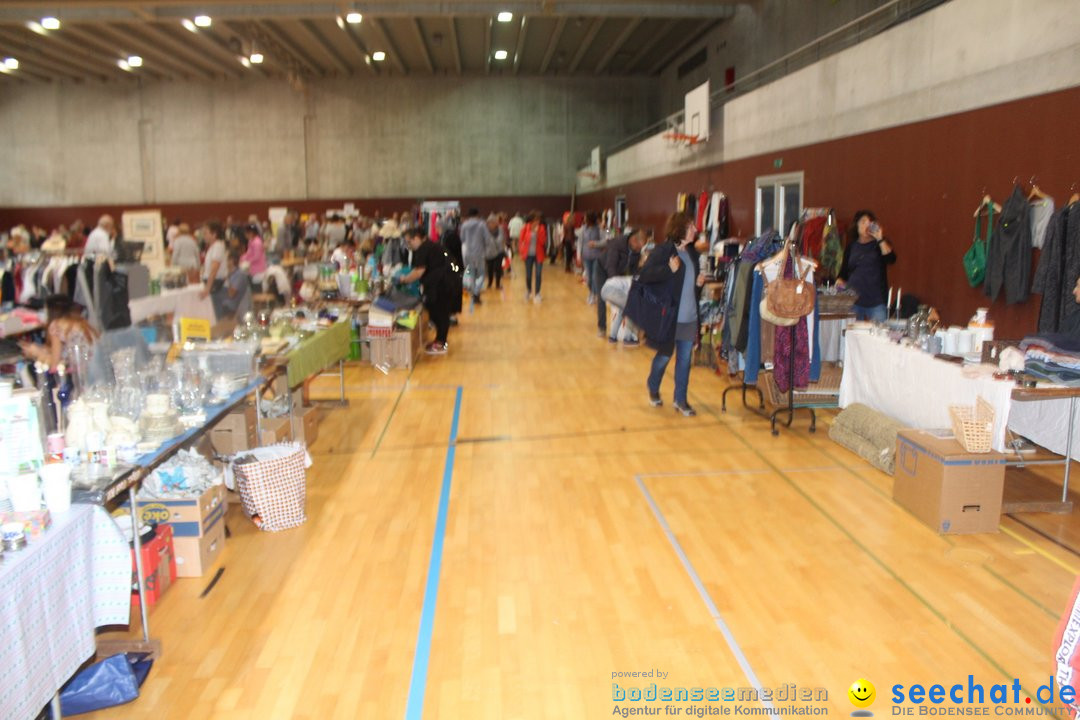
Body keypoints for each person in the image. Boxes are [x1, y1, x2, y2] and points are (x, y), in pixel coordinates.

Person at [636, 212, 703, 416]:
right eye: (691, 226)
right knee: (664, 357)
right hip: (669, 317)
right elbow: (645, 275)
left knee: (684, 360)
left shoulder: (692, 254)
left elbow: (690, 289)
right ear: (681, 228)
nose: (695, 229)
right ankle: (653, 385)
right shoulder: (664, 251)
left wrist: (698, 285)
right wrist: (667, 269)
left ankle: (680, 400)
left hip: (689, 317)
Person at [397, 227, 453, 355]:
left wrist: (404, 279)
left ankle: (441, 343)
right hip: (443, 283)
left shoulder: (424, 249)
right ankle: (440, 340)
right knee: (438, 312)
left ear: (416, 238)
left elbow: (419, 271)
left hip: (440, 285)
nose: (408, 245)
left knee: (438, 312)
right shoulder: (431, 246)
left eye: (409, 242)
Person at [837, 210, 896, 322]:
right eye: (863, 222)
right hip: (853, 300)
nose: (866, 225)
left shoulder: (879, 244)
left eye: (870, 223)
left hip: (876, 301)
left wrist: (880, 238)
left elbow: (891, 259)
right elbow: (844, 271)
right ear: (857, 225)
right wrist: (839, 282)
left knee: (878, 334)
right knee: (852, 334)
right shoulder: (851, 247)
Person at [19, 295, 97, 370]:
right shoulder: (80, 323)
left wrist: (38, 353)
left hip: (81, 373)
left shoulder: (56, 326)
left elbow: (54, 366)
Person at [601, 227, 647, 345]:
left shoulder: (636, 252)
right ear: (633, 241)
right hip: (603, 271)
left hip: (612, 286)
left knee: (622, 310)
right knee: (631, 307)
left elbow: (633, 269)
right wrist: (615, 283)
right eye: (639, 247)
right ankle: (629, 338)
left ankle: (612, 337)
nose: (640, 249)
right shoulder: (617, 244)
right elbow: (611, 266)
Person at [459, 208, 492, 305]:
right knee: (481, 274)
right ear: (477, 214)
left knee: (471, 274)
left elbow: (462, 239)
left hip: (468, 253)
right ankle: (477, 292)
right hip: (480, 254)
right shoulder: (482, 224)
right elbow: (487, 239)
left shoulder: (464, 225)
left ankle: (474, 293)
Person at [200, 220, 229, 318]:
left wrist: (207, 288)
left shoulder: (218, 246)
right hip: (213, 285)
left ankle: (220, 333)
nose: (204, 236)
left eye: (206, 233)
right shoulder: (212, 247)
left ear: (214, 234)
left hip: (217, 287)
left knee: (217, 315)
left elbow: (214, 269)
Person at [519, 211, 547, 303]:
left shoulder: (542, 228)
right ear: (531, 220)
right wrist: (521, 252)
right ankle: (529, 290)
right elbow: (521, 241)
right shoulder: (525, 228)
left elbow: (543, 242)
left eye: (538, 220)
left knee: (538, 274)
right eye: (536, 220)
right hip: (528, 255)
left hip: (538, 255)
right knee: (528, 275)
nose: (537, 222)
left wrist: (537, 233)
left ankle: (537, 293)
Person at [218, 250, 252, 320]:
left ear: (231, 260)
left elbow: (231, 294)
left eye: (226, 259)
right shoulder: (232, 274)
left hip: (230, 306)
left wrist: (227, 280)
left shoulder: (239, 275)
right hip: (225, 303)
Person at [581, 212, 603, 303]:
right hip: (586, 256)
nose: (584, 219)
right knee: (589, 278)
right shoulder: (583, 229)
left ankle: (594, 295)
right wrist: (579, 254)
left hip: (596, 256)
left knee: (594, 277)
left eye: (586, 217)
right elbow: (580, 241)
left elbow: (607, 238)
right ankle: (591, 292)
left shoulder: (599, 229)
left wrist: (596, 244)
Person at [484, 214, 506, 290]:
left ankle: (497, 284)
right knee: (489, 269)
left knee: (498, 268)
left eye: (493, 222)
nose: (491, 224)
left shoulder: (500, 229)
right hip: (489, 253)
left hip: (499, 252)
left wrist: (492, 241)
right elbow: (484, 240)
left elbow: (501, 239)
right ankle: (489, 283)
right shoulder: (485, 230)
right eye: (489, 222)